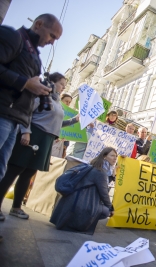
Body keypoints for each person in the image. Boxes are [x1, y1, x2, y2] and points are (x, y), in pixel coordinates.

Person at [0, 72, 79, 221]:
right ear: (52, 82)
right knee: (14, 170)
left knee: (28, 173)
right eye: (61, 84)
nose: (63, 87)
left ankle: (16, 207)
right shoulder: (41, 95)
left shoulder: (56, 102)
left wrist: (75, 120)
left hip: (45, 139)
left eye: (64, 85)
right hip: (33, 135)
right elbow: (27, 113)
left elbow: (57, 123)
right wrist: (26, 132)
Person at [0, 14, 62, 181]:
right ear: (39, 24)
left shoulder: (34, 53)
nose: (52, 42)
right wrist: (25, 83)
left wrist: (37, 89)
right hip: (4, 112)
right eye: (52, 36)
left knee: (1, 170)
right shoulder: (15, 37)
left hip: (14, 119)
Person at [50, 147, 116, 233]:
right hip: (81, 202)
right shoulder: (101, 172)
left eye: (116, 156)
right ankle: (78, 223)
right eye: (112, 155)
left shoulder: (94, 165)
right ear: (104, 156)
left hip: (73, 200)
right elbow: (104, 194)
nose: (115, 158)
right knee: (106, 212)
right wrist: (111, 208)